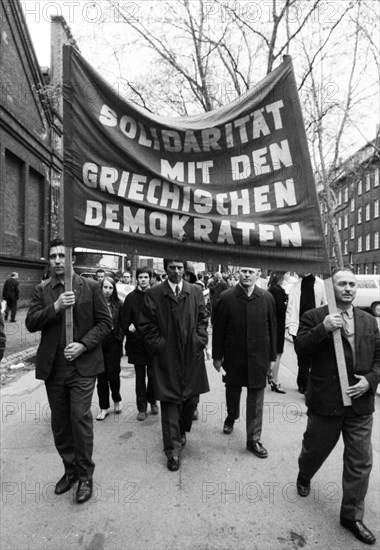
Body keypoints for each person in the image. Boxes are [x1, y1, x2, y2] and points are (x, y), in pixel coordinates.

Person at [295, 268, 379, 545]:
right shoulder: (314, 317)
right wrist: (323, 329)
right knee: (314, 450)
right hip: (326, 402)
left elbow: (379, 359)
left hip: (359, 405)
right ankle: (305, 473)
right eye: (342, 284)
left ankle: (351, 516)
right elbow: (301, 349)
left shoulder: (368, 321)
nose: (348, 288)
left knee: (360, 461)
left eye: (352, 284)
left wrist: (370, 381)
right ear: (332, 288)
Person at [25, 239, 112, 504]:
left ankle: (86, 476)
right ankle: (70, 470)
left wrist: (83, 345)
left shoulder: (92, 287)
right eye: (53, 257)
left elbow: (105, 323)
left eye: (62, 256)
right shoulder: (43, 290)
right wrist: (56, 307)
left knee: (79, 418)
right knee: (60, 424)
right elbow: (30, 323)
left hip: (83, 368)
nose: (57, 261)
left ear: (72, 258)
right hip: (54, 369)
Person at [139, 258, 209, 472]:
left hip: (191, 355)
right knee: (169, 402)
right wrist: (160, 346)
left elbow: (203, 319)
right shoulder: (154, 294)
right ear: (166, 269)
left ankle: (181, 430)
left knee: (191, 399)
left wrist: (199, 340)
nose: (177, 271)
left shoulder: (195, 292)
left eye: (180, 268)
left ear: (185, 269)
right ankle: (173, 452)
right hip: (166, 357)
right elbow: (146, 326)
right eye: (172, 268)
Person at [212, 266, 277, 458]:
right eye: (244, 271)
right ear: (238, 273)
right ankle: (232, 416)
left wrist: (272, 357)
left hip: (259, 357)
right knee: (233, 391)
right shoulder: (226, 297)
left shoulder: (266, 298)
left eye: (251, 271)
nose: (247, 275)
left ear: (258, 274)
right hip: (234, 356)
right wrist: (217, 357)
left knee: (256, 398)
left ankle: (253, 439)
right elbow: (219, 329)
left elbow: (273, 328)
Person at [121, 266, 159, 421]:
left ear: (150, 278)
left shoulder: (155, 296)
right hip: (136, 343)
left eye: (146, 277)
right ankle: (141, 408)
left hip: (152, 343)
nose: (143, 280)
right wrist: (129, 329)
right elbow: (124, 320)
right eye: (141, 277)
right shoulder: (131, 298)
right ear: (137, 279)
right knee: (140, 376)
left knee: (153, 375)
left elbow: (160, 318)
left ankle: (153, 400)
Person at [286, 272, 326, 394]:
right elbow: (290, 307)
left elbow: (325, 303)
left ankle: (308, 383)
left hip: (315, 324)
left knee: (312, 355)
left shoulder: (321, 284)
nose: (298, 271)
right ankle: (303, 383)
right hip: (298, 325)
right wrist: (288, 325)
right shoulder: (295, 285)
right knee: (301, 355)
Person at [96, 277, 124, 421]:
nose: (107, 291)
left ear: (114, 289)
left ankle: (117, 399)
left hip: (114, 342)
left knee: (113, 374)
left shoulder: (119, 304)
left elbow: (124, 322)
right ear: (100, 288)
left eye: (110, 288)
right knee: (101, 377)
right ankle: (104, 407)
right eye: (105, 287)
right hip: (99, 342)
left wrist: (120, 337)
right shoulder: (95, 304)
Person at [267, 271, 288, 393]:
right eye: (285, 274)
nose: (287, 276)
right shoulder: (277, 290)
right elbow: (280, 308)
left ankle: (271, 376)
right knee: (277, 353)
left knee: (275, 353)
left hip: (275, 325)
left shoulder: (272, 289)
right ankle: (275, 379)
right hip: (278, 325)